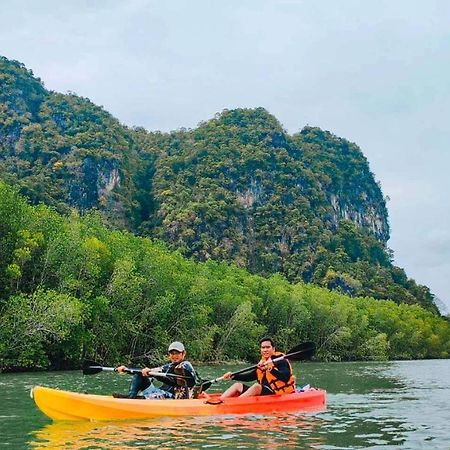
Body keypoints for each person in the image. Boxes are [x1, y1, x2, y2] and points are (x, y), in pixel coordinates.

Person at [114, 341, 197, 399]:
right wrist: (126, 370)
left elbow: (173, 380)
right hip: (162, 392)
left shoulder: (186, 365)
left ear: (183, 353)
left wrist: (153, 374)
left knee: (149, 375)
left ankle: (136, 399)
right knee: (140, 374)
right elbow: (151, 371)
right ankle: (131, 397)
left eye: (177, 353)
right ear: (169, 355)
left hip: (175, 397)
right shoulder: (169, 366)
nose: (174, 356)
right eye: (172, 353)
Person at [220, 337, 295, 399]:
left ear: (273, 349)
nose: (265, 350)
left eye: (268, 347)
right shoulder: (262, 362)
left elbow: (285, 377)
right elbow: (250, 376)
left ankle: (235, 404)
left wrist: (270, 369)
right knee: (237, 385)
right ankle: (219, 402)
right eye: (263, 348)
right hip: (264, 392)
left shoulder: (280, 360)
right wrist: (233, 376)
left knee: (256, 386)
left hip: (277, 393)